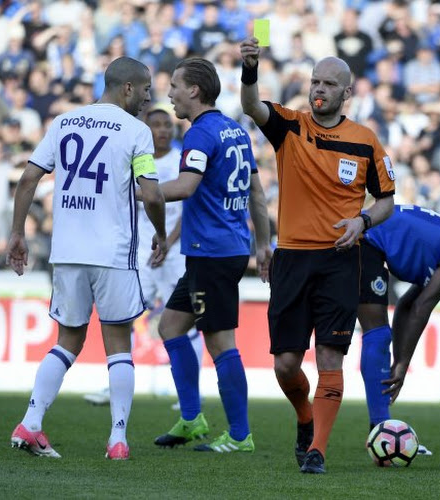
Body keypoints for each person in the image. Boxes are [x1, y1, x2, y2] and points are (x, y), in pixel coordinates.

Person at [239, 37, 396, 474]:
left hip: (340, 262)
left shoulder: (365, 141)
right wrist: (250, 69)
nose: (318, 89)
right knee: (286, 364)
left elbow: (387, 202)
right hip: (291, 259)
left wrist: (362, 222)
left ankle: (318, 452)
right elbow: (252, 106)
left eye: (328, 83)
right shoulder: (290, 126)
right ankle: (305, 417)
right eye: (314, 81)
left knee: (331, 357)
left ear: (347, 93)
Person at [6, 56, 168, 460]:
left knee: (67, 341)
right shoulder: (136, 131)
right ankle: (117, 439)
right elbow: (151, 194)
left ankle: (31, 422)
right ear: (127, 88)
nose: (150, 96)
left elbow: (28, 178)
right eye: (146, 88)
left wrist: (17, 233)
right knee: (118, 344)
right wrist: (162, 235)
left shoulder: (63, 123)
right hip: (112, 253)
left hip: (67, 252)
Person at [150, 57, 272, 454]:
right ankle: (191, 419)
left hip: (213, 254)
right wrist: (262, 244)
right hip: (224, 247)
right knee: (170, 326)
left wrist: (134, 189)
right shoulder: (235, 130)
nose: (168, 95)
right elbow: (253, 194)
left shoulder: (201, 135)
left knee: (221, 343)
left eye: (174, 86)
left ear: (194, 91)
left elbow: (186, 187)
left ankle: (240, 435)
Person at [82, 107, 204, 408]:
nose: (163, 130)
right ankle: (116, 385)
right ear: (145, 130)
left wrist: (168, 241)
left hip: (175, 253)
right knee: (125, 316)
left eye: (167, 125)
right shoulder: (135, 162)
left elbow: (190, 209)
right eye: (156, 125)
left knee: (187, 322)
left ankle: (188, 391)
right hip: (140, 254)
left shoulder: (181, 162)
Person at [359, 205, 440, 429]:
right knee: (377, 334)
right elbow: (421, 307)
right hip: (364, 237)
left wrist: (399, 359)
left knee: (380, 335)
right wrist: (403, 364)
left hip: (367, 229)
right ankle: (380, 428)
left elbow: (406, 305)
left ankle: (380, 427)